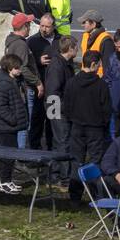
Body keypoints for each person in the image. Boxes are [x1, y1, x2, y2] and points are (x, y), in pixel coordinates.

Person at [64, 50, 112, 202]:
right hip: (95, 129)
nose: (99, 68)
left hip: (76, 127)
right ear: (93, 64)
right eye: (98, 65)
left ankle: (75, 196)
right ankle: (96, 195)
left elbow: (67, 106)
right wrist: (103, 123)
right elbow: (107, 109)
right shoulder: (101, 85)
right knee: (95, 162)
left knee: (76, 162)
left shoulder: (72, 82)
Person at [0, 53, 29, 193]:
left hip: (10, 126)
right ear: (9, 68)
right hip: (5, 127)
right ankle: (4, 182)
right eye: (17, 68)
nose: (20, 70)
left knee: (10, 155)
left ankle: (7, 180)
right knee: (6, 155)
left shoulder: (13, 81)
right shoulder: (3, 85)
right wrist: (13, 119)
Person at [5, 13, 42, 149]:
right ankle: (22, 155)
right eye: (28, 24)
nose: (30, 26)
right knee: (25, 124)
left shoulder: (12, 41)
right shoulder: (20, 44)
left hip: (19, 87)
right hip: (26, 88)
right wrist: (38, 83)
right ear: (23, 27)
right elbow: (23, 68)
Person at [43, 35, 77, 166]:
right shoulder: (58, 66)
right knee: (63, 140)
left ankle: (58, 174)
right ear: (70, 49)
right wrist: (63, 110)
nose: (77, 51)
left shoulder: (64, 63)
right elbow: (52, 92)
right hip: (57, 108)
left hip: (57, 107)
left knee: (60, 140)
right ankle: (63, 178)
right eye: (76, 48)